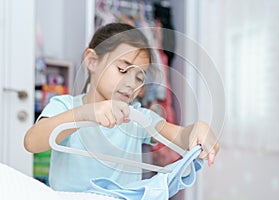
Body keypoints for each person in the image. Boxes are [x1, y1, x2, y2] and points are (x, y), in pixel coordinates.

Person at [24, 23, 220, 192]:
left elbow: (180, 135)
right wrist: (85, 114)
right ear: (92, 61)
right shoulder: (65, 106)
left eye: (139, 77)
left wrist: (197, 129)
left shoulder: (137, 118)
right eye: (123, 69)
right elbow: (32, 142)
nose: (130, 83)